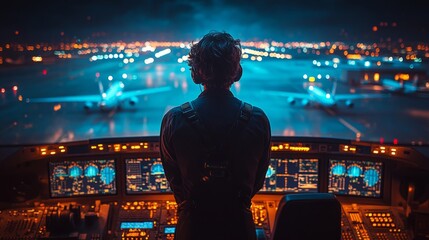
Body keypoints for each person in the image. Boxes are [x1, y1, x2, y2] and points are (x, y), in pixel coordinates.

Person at [160, 31, 271, 240]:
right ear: (237, 72)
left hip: (192, 229)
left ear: (196, 73)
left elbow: (176, 182)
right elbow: (256, 181)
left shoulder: (174, 119)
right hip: (239, 228)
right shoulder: (258, 119)